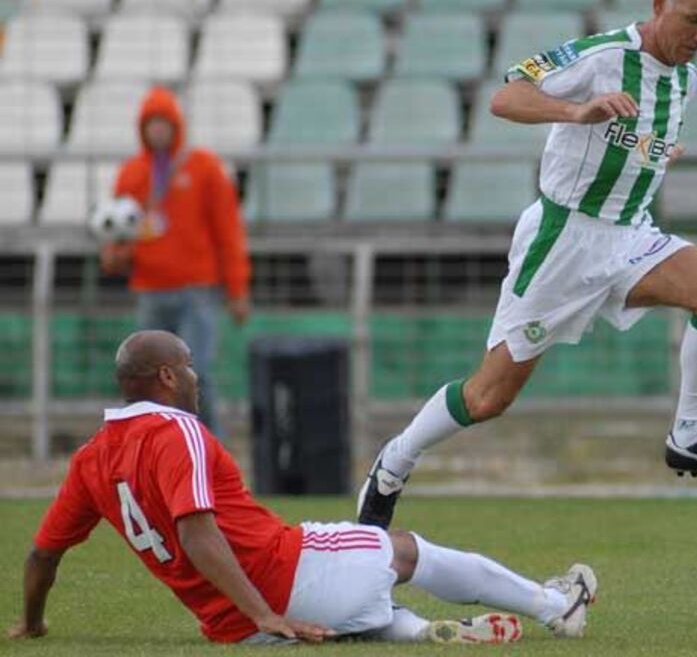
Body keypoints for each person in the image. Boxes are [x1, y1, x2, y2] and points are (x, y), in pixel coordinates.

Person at [358, 0, 697, 529]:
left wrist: (655, 152)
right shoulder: (602, 56)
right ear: (658, 5)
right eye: (694, 20)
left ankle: (690, 436)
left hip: (630, 235)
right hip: (564, 240)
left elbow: (630, 146)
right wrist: (575, 110)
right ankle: (393, 463)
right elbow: (507, 96)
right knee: (487, 398)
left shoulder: (685, 79)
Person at [8, 331, 597, 646]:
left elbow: (42, 555)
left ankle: (415, 632)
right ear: (165, 377)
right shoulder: (177, 428)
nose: (196, 376)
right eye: (187, 366)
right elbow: (197, 531)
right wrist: (267, 613)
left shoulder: (89, 461)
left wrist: (33, 622)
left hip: (225, 625)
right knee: (400, 550)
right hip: (278, 580)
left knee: (359, 600)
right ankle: (556, 607)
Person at [100, 86, 251, 437]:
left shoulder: (204, 168)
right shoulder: (132, 174)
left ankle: (210, 449)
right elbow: (120, 234)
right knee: (145, 380)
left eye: (163, 123)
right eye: (150, 124)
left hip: (196, 289)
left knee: (195, 374)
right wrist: (115, 256)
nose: (157, 130)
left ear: (175, 125)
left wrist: (237, 288)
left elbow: (228, 231)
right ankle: (153, 451)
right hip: (151, 290)